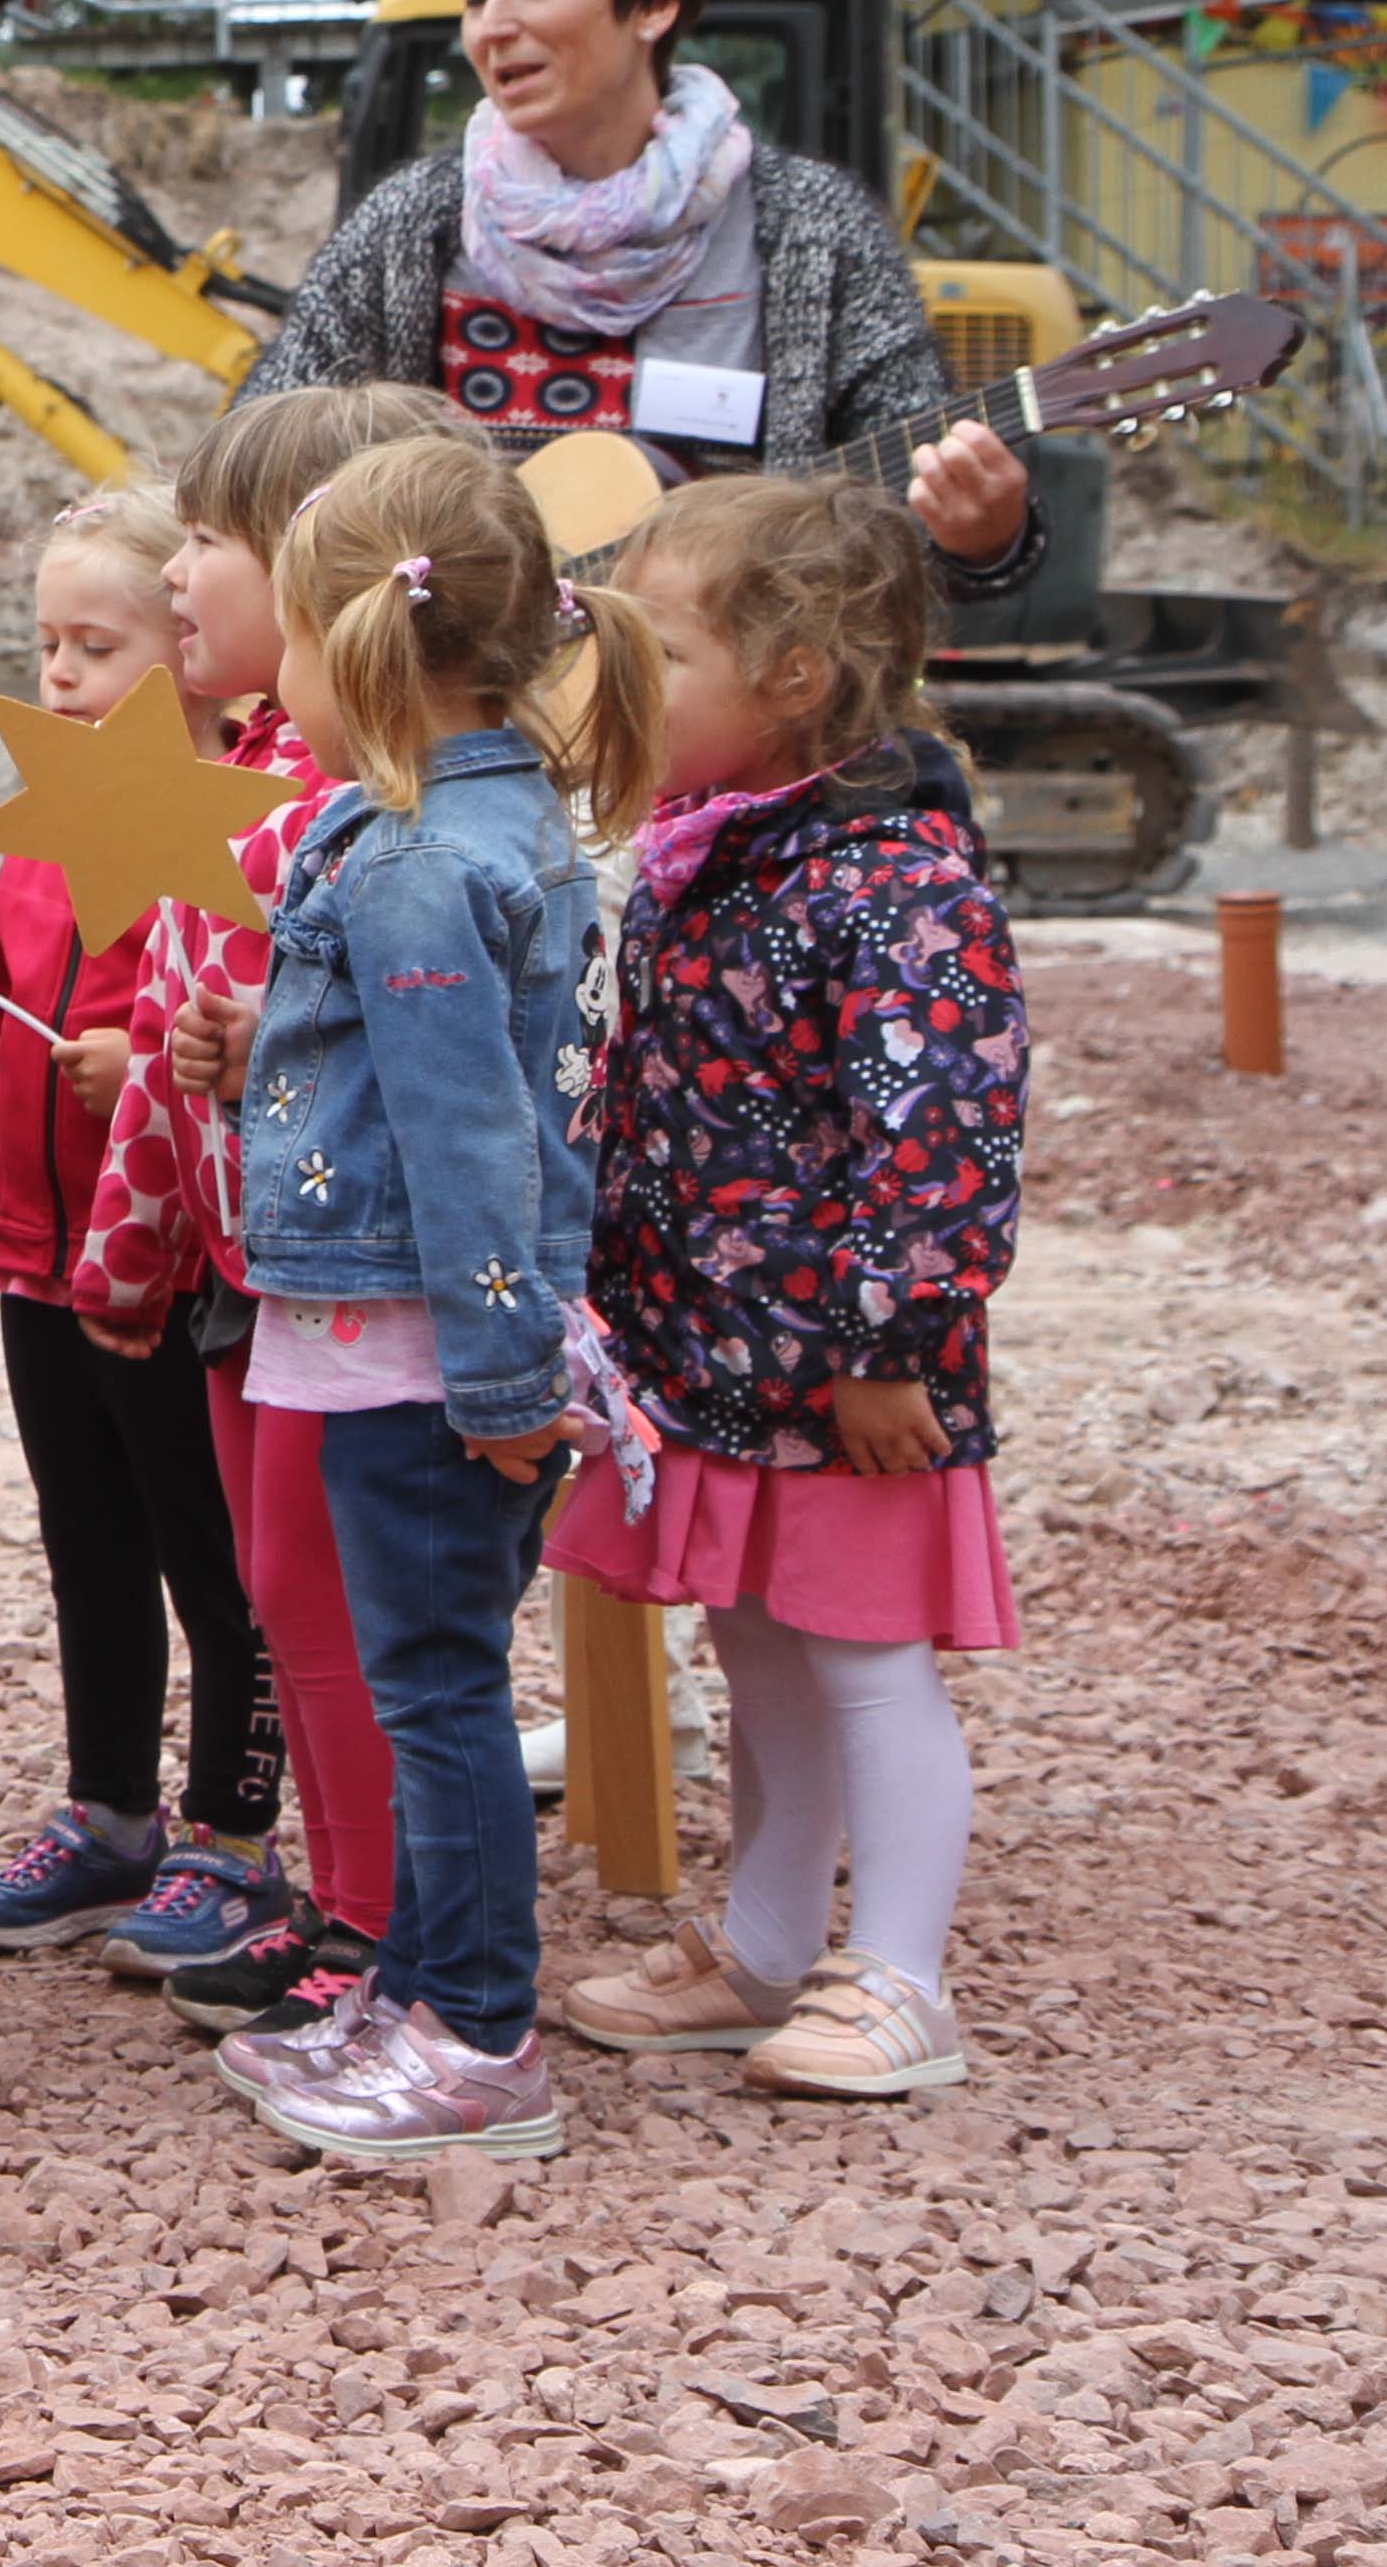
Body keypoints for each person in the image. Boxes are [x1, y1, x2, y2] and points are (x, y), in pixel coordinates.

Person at [199, 435, 665, 2167]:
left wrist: (490, 1377)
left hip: (423, 1341)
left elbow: (469, 1141)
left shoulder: (405, 859)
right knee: (426, 1680)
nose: (277, 683)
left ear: (361, 650)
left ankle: (474, 2034)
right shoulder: (473, 822)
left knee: (434, 1694)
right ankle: (412, 1988)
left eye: (294, 646)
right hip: (421, 1323)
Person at [546, 476, 1026, 2101]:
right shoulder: (717, 856)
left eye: (658, 652)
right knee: (758, 1648)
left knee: (869, 1658)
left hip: (850, 1376)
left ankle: (896, 1976)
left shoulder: (893, 883)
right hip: (724, 1360)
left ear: (796, 676)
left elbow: (938, 1134)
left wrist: (891, 1345)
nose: (621, 687)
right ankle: (758, 1948)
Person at [68, 384, 487, 2029]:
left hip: (345, 1274)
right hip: (254, 1270)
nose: (174, 573)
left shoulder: (360, 806)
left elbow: (420, 1057)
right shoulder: (243, 772)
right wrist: (137, 1242)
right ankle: (338, 1898)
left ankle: (380, 1926)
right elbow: (184, 1048)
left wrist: (260, 1068)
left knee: (334, 1607)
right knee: (278, 1583)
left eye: (207, 542)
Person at [245, 0, 1041, 597]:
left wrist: (985, 537)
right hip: (454, 712)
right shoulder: (409, 223)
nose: (495, 26)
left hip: (724, 712)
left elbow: (914, 510)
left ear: (653, 5)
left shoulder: (813, 226)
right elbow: (260, 453)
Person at [0, 483, 277, 1957]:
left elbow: (254, 1022)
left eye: (95, 645)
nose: (57, 675)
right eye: (45, 643)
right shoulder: (40, 841)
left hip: (169, 1262)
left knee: (211, 1552)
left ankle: (232, 1831)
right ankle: (108, 1811)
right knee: (87, 1544)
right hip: (35, 1269)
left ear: (186, 653)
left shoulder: (243, 826)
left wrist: (146, 1065)